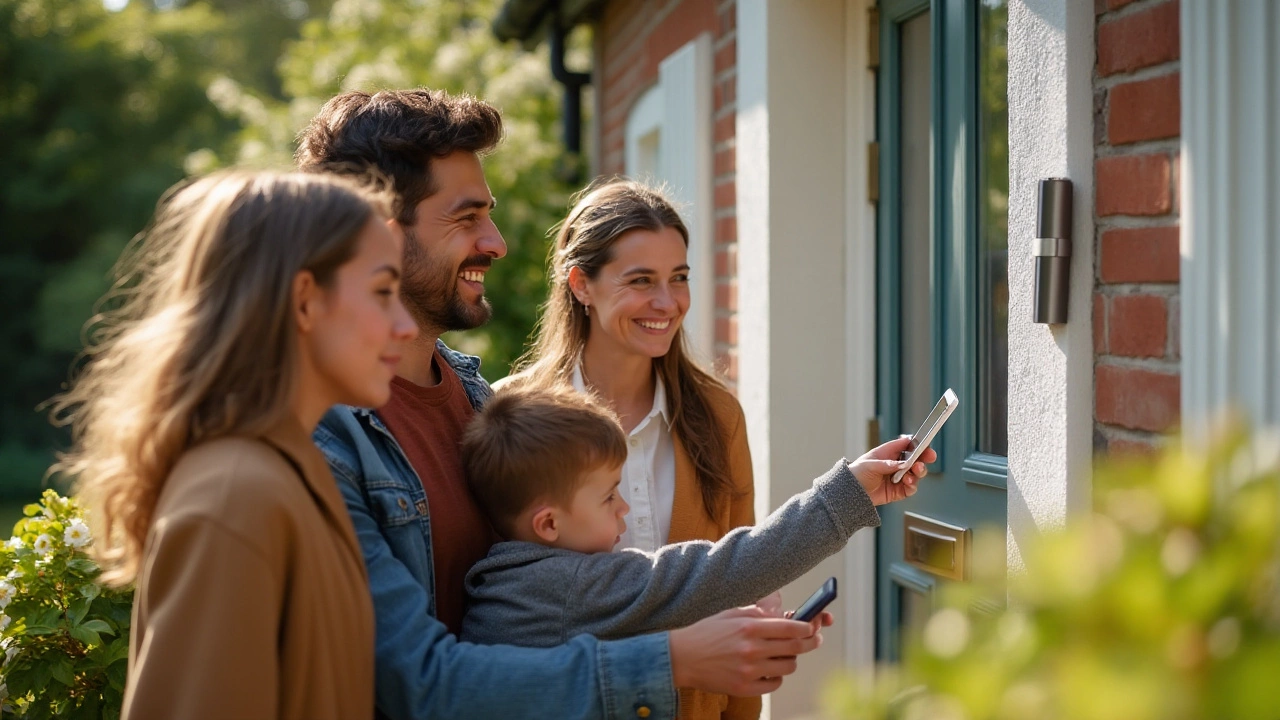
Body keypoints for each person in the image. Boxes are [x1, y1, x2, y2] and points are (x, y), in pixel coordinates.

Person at [299, 89, 846, 720]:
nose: (497, 243)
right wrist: (675, 659)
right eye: (466, 217)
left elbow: (585, 600)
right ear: (379, 233)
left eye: (680, 277)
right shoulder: (324, 438)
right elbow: (418, 682)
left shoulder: (476, 405)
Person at [53, 170, 418, 719]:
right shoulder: (236, 497)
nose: (405, 325)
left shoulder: (289, 472)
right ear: (303, 301)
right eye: (384, 292)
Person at [499, 176, 764, 718]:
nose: (666, 303)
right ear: (580, 285)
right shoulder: (511, 415)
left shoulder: (718, 417)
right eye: (641, 280)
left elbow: (744, 578)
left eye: (679, 278)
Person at [458, 386, 927, 676]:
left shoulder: (510, 583)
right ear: (549, 523)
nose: (623, 507)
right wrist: (847, 495)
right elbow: (717, 572)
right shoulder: (571, 587)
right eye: (607, 497)